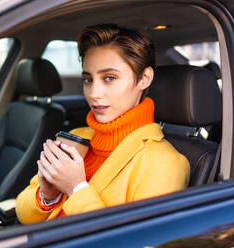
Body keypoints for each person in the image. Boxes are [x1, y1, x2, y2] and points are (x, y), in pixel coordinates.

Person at [16, 23, 190, 224]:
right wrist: (47, 195)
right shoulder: (77, 136)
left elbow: (137, 240)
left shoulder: (164, 163)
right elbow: (24, 214)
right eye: (88, 80)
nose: (94, 94)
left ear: (144, 78)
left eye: (109, 78)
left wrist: (76, 188)